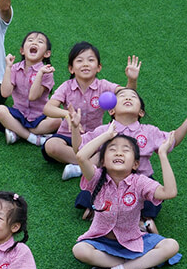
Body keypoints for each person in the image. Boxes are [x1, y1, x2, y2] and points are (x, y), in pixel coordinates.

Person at [72, 88, 187, 232]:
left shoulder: (149, 131)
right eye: (122, 96)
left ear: (141, 112)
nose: (128, 98)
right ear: (111, 110)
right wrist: (75, 127)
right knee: (91, 189)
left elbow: (172, 140)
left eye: (133, 96)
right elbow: (80, 149)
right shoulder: (104, 131)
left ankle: (141, 219)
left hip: (141, 181)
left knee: (150, 203)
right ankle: (102, 211)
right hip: (110, 179)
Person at [73, 124, 181, 269]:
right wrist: (106, 136)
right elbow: (81, 157)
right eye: (112, 149)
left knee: (172, 246)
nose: (118, 152)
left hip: (133, 240)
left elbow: (170, 192)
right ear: (102, 161)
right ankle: (139, 267)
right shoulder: (96, 178)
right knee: (80, 250)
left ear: (135, 164)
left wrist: (163, 155)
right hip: (101, 240)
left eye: (126, 150)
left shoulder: (140, 182)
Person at [41, 42, 140, 180]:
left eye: (91, 60)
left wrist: (132, 79)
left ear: (99, 67)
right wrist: (66, 115)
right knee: (51, 145)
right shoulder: (66, 87)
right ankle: (86, 165)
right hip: (68, 136)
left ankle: (79, 167)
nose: (85, 64)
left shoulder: (104, 86)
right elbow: (48, 108)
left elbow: (127, 95)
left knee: (108, 149)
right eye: (79, 60)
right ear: (71, 68)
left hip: (94, 139)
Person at [0, 31, 60, 146]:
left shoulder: (47, 72)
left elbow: (33, 96)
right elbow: (5, 93)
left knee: (57, 120)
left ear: (47, 54)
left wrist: (40, 74)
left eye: (40, 42)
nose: (34, 42)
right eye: (30, 40)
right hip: (18, 113)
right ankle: (32, 138)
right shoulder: (14, 68)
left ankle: (17, 131)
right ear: (22, 51)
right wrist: (8, 68)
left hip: (39, 116)